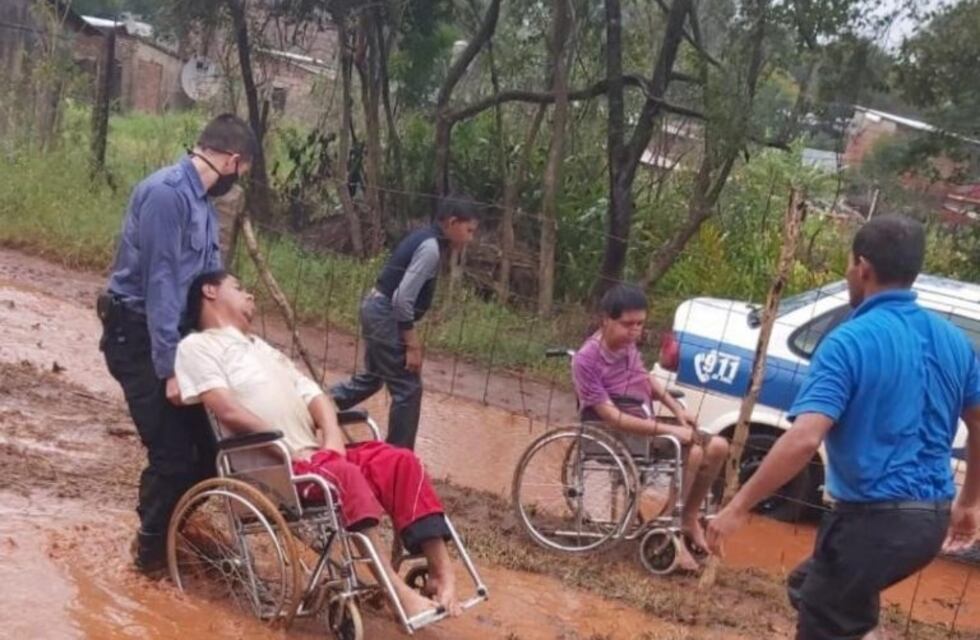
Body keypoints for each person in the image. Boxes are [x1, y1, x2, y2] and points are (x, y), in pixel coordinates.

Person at [706, 215, 980, 640]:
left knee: (827, 616)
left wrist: (738, 506)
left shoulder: (848, 341)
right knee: (812, 589)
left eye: (849, 265)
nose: (849, 273)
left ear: (863, 267)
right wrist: (967, 502)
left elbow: (804, 438)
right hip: (929, 523)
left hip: (872, 522)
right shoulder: (954, 341)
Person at [174, 270, 462, 618]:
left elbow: (316, 395)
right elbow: (227, 409)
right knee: (344, 475)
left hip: (319, 454)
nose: (250, 296)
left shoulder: (262, 348)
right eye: (240, 288)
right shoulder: (197, 347)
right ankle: (397, 592)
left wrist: (333, 437)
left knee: (401, 461)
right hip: (278, 463)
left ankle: (443, 574)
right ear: (210, 291)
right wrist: (284, 443)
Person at [97, 114, 258, 574]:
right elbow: (163, 284)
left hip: (175, 338)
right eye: (241, 172)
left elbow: (205, 286)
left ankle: (170, 533)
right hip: (139, 336)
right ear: (231, 160)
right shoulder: (168, 196)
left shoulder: (202, 207)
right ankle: (148, 560)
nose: (236, 181)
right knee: (170, 454)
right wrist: (170, 369)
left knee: (208, 456)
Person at [572, 284, 730, 570]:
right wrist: (664, 429)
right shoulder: (587, 360)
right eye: (627, 325)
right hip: (612, 432)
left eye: (640, 325)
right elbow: (610, 417)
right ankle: (669, 530)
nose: (634, 332)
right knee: (692, 453)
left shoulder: (628, 346)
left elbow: (645, 380)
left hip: (643, 424)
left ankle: (686, 516)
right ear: (606, 319)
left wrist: (678, 411)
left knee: (719, 446)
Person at [331, 195, 480, 450]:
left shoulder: (425, 239)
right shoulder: (431, 248)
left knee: (372, 379)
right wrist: (412, 344)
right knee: (408, 389)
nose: (470, 238)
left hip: (376, 308)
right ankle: (399, 458)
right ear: (453, 223)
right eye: (469, 230)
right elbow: (402, 299)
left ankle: (313, 406)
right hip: (384, 313)